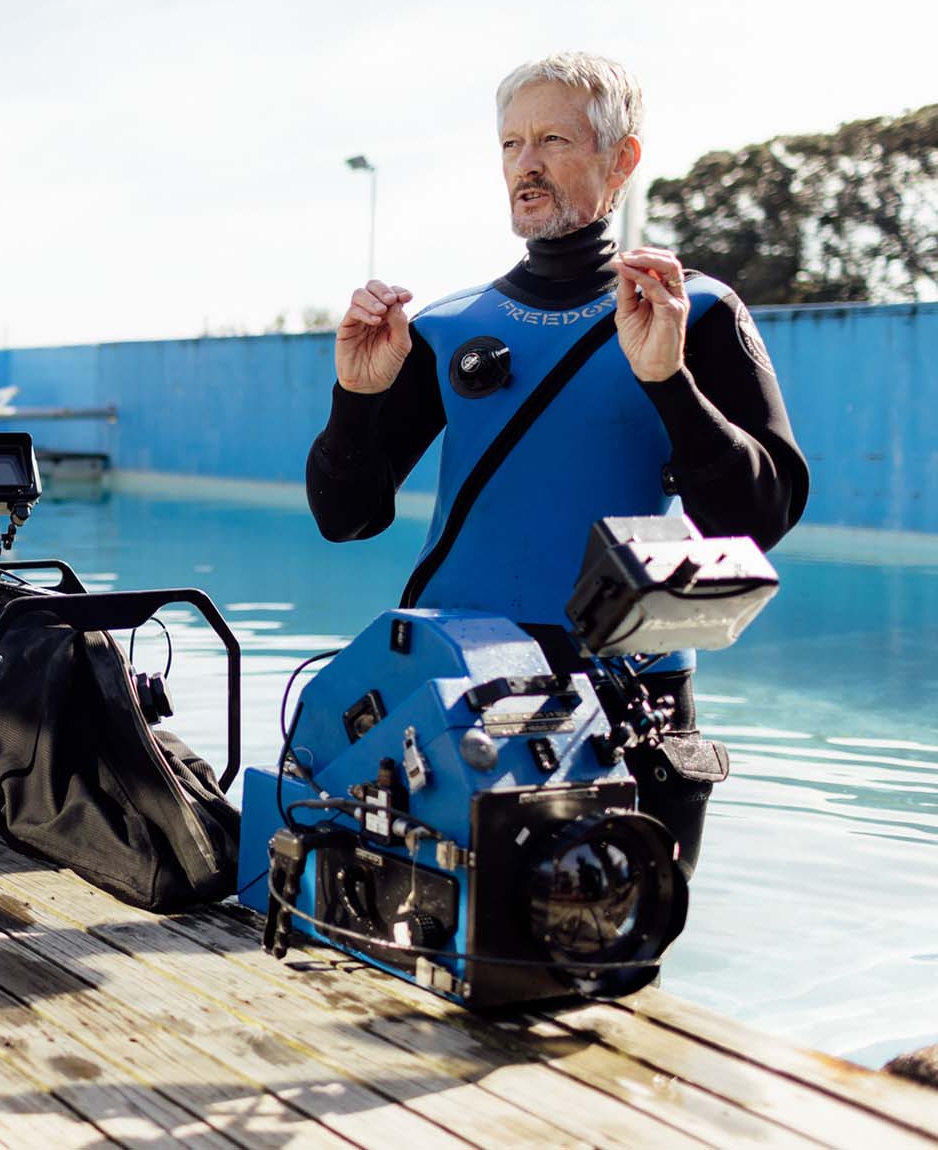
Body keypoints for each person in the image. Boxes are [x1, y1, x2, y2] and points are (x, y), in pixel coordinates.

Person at [306, 51, 809, 878]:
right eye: (510, 145)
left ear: (622, 160)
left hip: (628, 695)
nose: (526, 165)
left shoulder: (696, 311)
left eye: (552, 140)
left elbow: (760, 520)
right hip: (458, 684)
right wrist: (356, 397)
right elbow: (345, 516)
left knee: (616, 953)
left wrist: (667, 381)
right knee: (436, 946)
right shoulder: (443, 325)